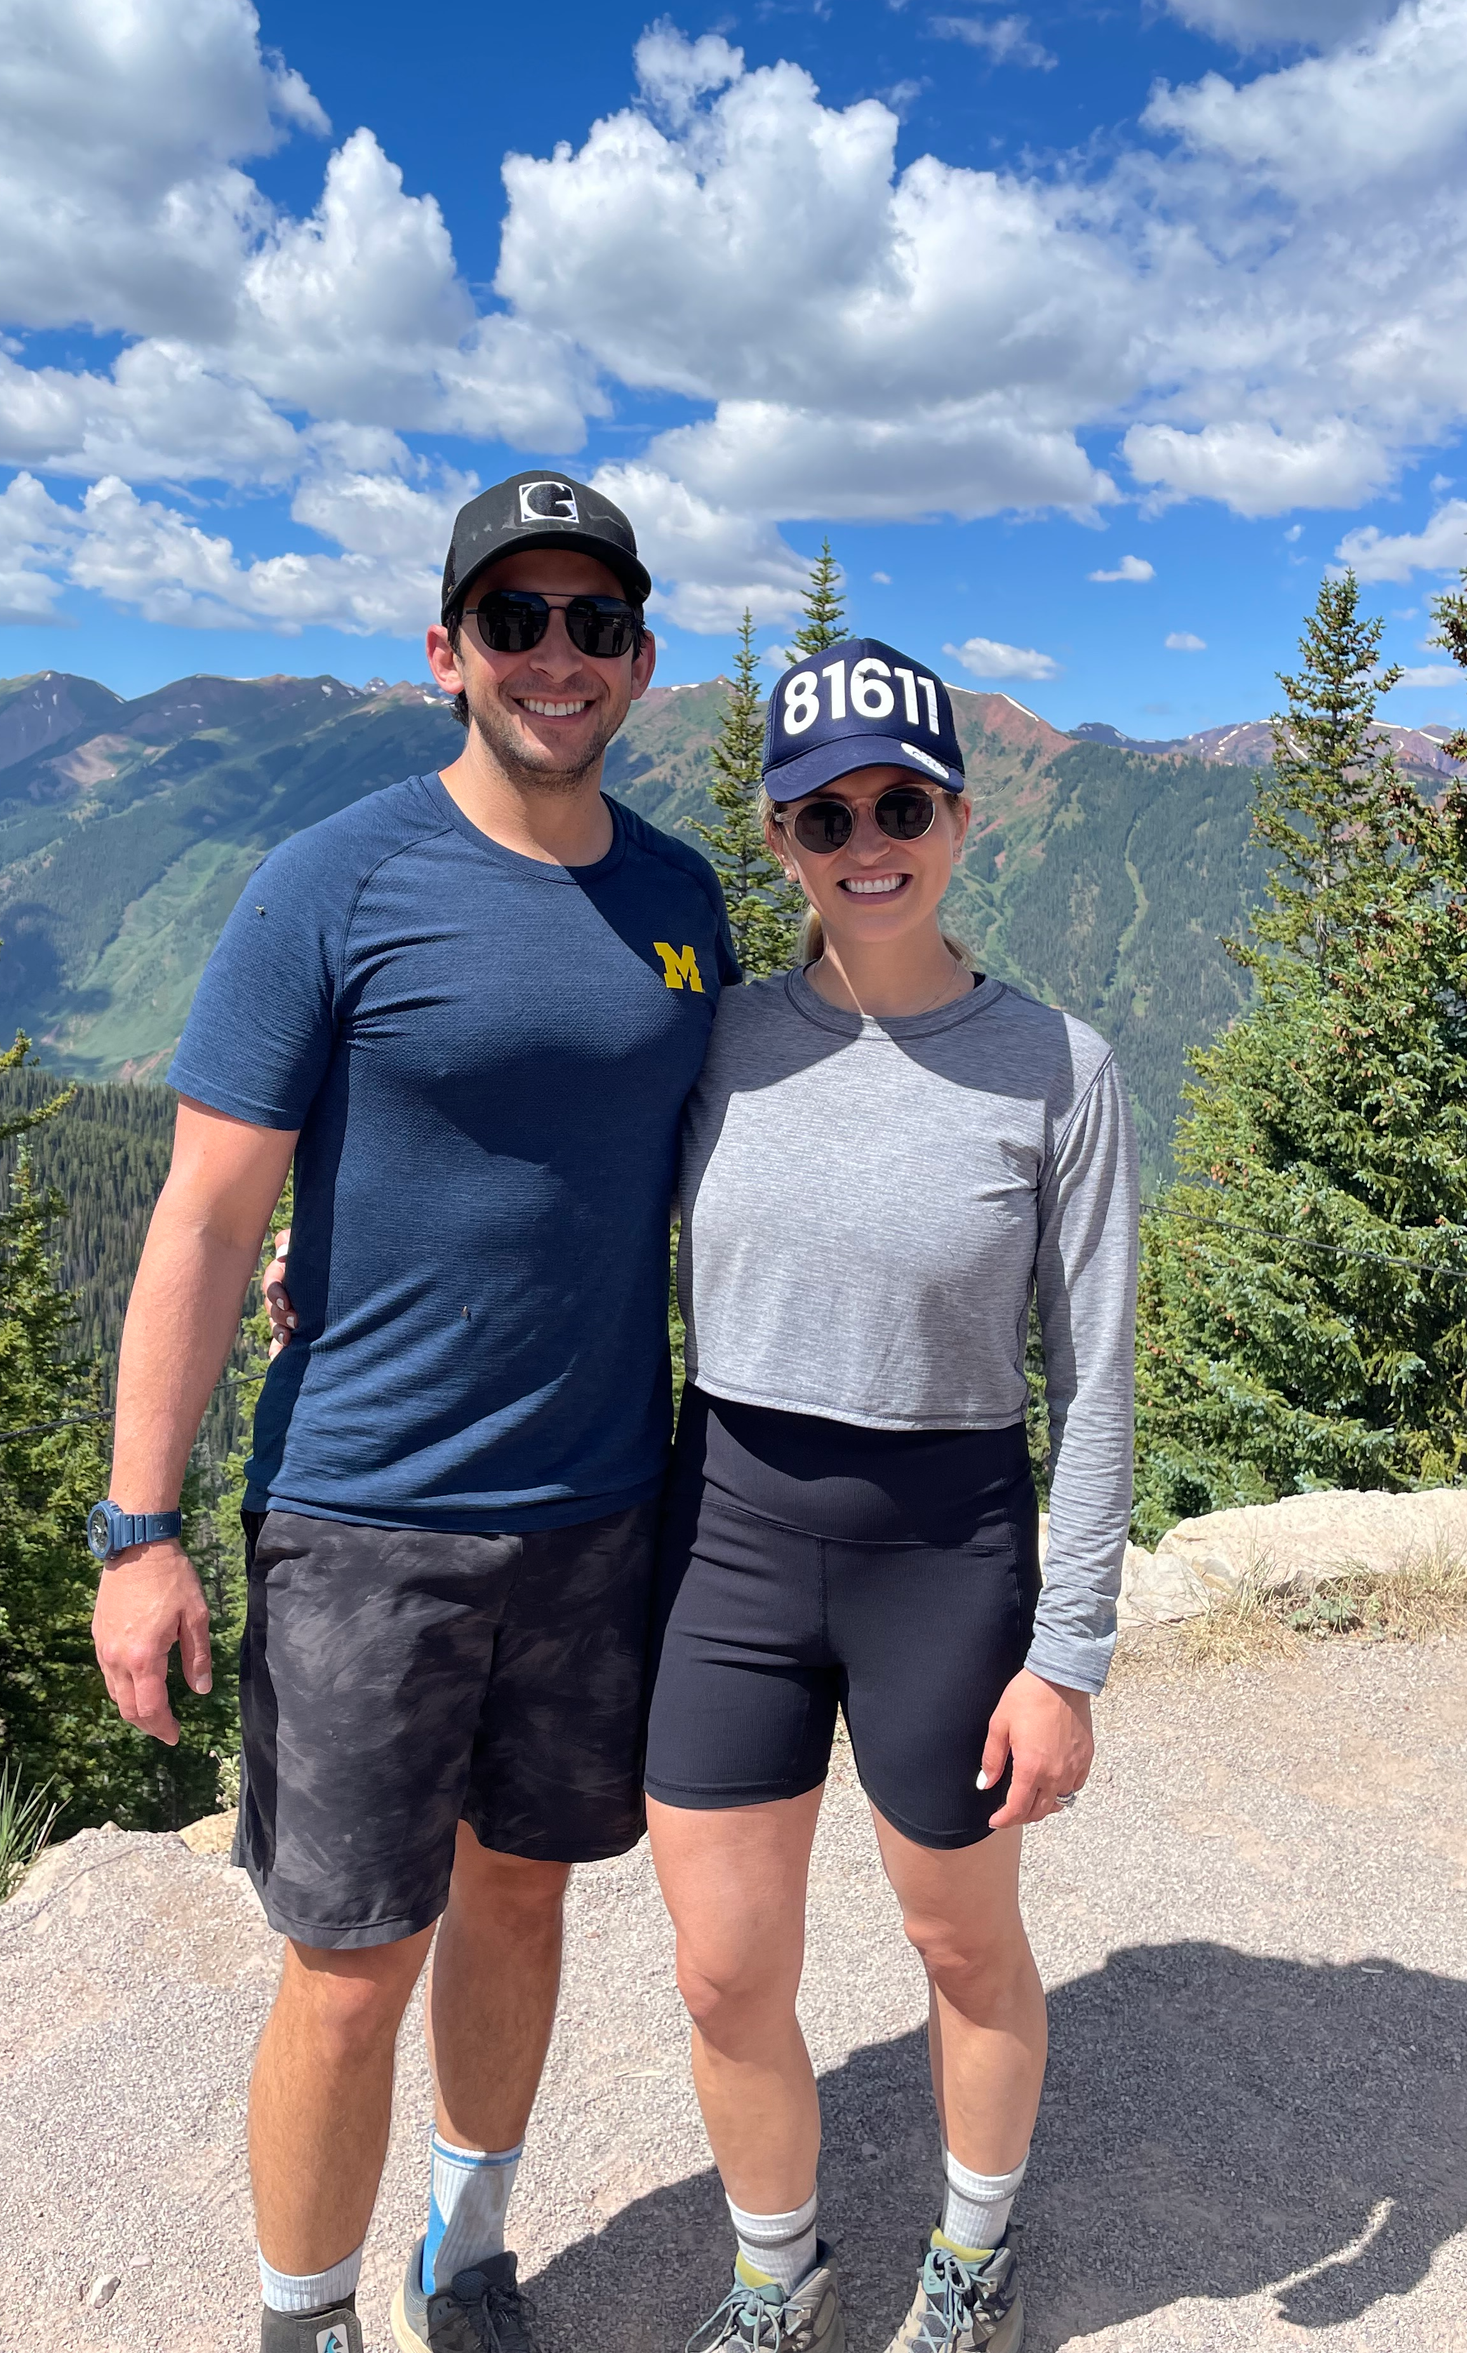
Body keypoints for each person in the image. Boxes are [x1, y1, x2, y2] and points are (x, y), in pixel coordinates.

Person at [89, 471, 738, 2353]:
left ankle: (469, 2255)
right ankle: (305, 2320)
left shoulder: (684, 897)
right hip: (365, 1517)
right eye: (515, 619)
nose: (557, 655)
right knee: (352, 1968)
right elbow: (209, 1215)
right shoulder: (333, 880)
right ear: (445, 652)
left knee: (521, 1904)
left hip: (601, 1505)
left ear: (637, 659)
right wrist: (138, 1534)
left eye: (593, 622)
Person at [642, 638, 1138, 2352]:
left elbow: (1096, 1379)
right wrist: (320, 1262)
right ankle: (778, 2277)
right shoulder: (711, 1045)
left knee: (957, 1943)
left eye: (900, 803)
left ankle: (970, 2256)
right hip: (726, 1529)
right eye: (822, 810)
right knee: (719, 1967)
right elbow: (541, 1204)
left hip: (947, 1548)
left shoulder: (1058, 1071)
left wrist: (1065, 1656)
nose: (866, 838)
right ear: (778, 839)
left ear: (959, 819)